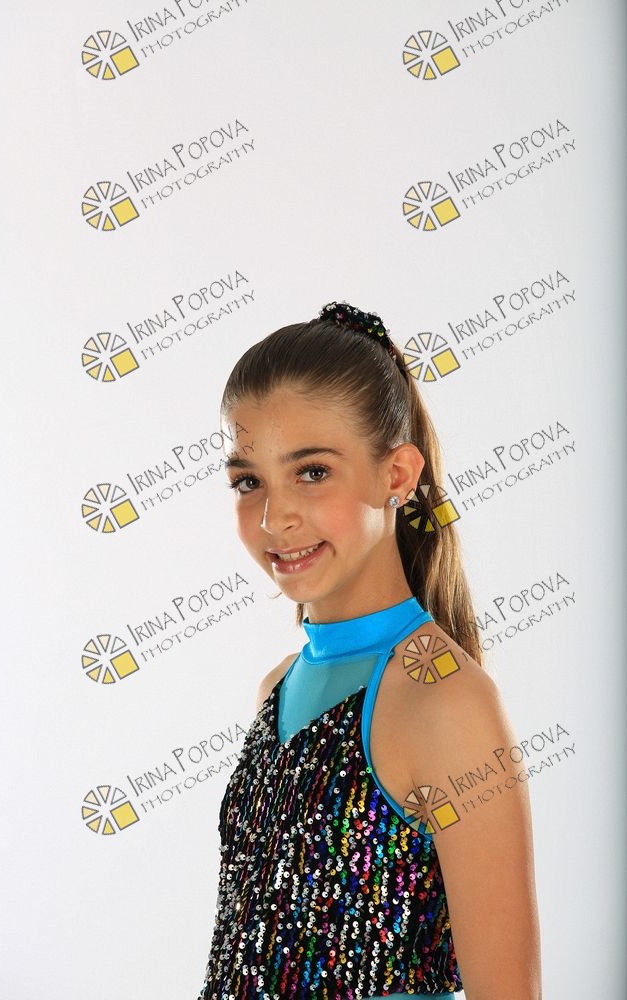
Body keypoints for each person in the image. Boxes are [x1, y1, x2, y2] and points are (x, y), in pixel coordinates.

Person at [198, 301, 542, 999]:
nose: (274, 516)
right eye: (248, 481)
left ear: (397, 474)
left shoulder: (445, 701)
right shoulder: (277, 689)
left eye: (312, 472)